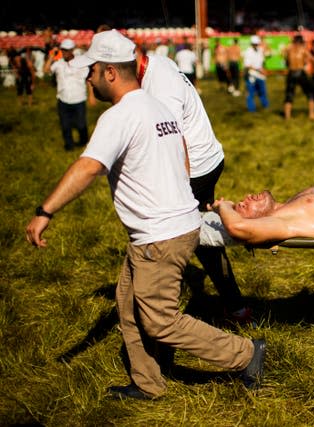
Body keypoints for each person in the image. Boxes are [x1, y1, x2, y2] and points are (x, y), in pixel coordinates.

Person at [25, 30, 265, 399]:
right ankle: (148, 383)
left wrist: (45, 211)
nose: (86, 77)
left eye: (91, 70)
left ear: (110, 72)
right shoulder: (156, 106)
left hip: (160, 236)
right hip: (166, 228)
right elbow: (183, 146)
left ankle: (246, 353)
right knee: (129, 305)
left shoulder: (120, 116)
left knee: (160, 321)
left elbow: (88, 166)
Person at [133, 35, 252, 323]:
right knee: (200, 236)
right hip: (209, 159)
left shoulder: (160, 88)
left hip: (195, 168)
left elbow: (175, 143)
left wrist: (176, 190)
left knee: (184, 234)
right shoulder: (157, 63)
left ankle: (164, 312)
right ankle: (234, 305)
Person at [43, 38, 94, 151]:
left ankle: (84, 142)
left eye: (67, 50)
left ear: (72, 50)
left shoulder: (81, 63)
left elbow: (88, 80)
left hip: (79, 99)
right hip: (63, 100)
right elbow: (46, 70)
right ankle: (69, 146)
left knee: (81, 125)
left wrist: (91, 95)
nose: (65, 52)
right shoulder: (58, 64)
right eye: (63, 50)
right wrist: (52, 56)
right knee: (65, 126)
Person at [282, 34, 314, 120]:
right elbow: (311, 59)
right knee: (310, 93)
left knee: (289, 95)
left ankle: (287, 116)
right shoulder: (303, 49)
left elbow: (285, 59)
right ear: (301, 42)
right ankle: (311, 114)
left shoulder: (288, 48)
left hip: (291, 72)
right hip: (300, 72)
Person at [243, 35, 269, 112]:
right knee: (250, 93)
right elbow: (248, 65)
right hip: (252, 75)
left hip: (260, 75)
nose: (256, 45)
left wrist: (263, 70)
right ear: (251, 44)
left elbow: (262, 61)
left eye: (257, 43)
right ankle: (251, 109)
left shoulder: (260, 50)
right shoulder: (248, 52)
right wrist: (259, 70)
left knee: (263, 92)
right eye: (255, 44)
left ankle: (266, 106)